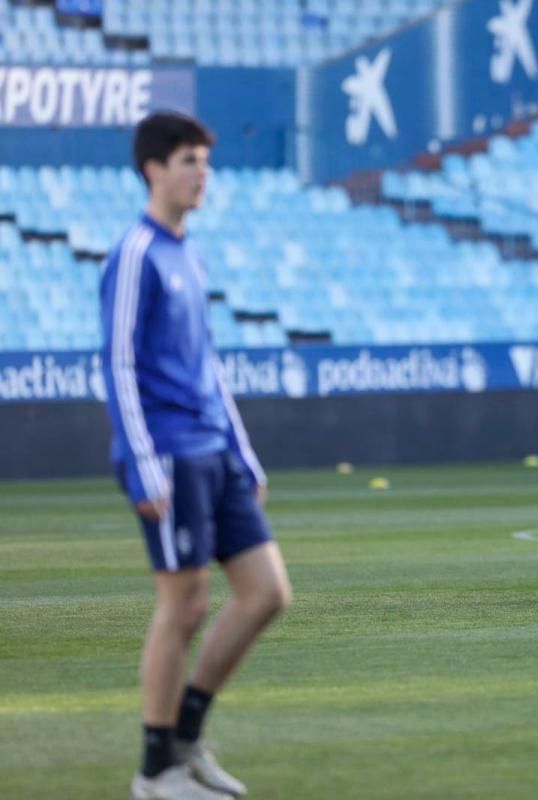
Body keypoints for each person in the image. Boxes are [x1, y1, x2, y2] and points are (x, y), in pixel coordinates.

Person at [100, 112, 292, 798]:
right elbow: (119, 365)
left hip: (214, 449)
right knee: (182, 608)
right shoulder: (135, 253)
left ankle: (185, 735)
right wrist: (143, 461)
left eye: (205, 163)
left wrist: (244, 450)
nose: (200, 174)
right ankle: (155, 772)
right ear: (154, 167)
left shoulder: (190, 253)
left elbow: (207, 364)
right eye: (188, 161)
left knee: (267, 593)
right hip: (169, 454)